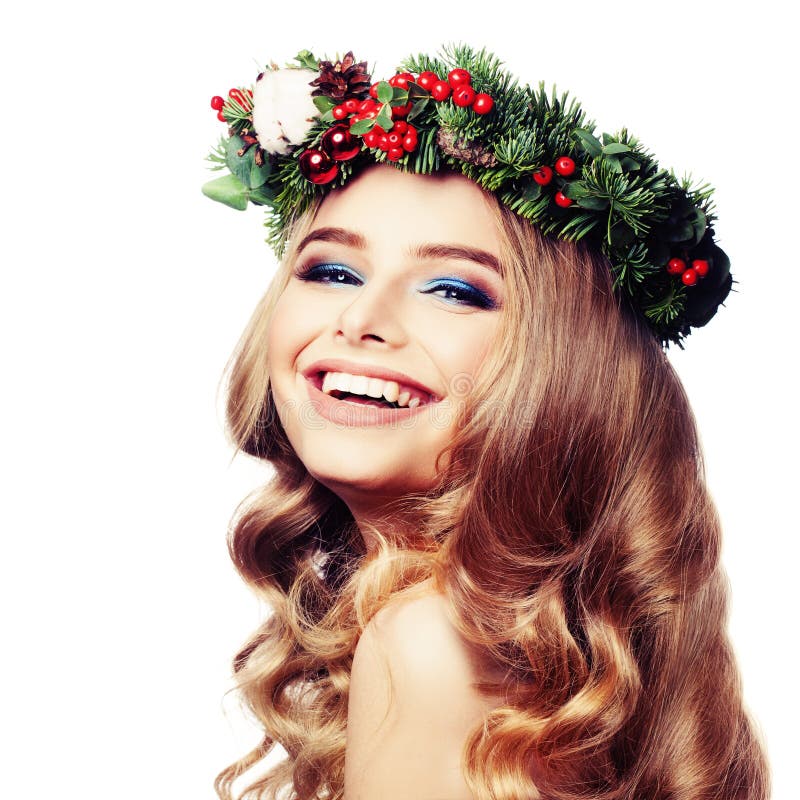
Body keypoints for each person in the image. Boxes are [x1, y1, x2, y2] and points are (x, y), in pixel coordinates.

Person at [203, 44, 771, 800]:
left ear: (563, 365)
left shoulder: (428, 644)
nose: (362, 319)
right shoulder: (539, 657)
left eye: (454, 290)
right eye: (333, 271)